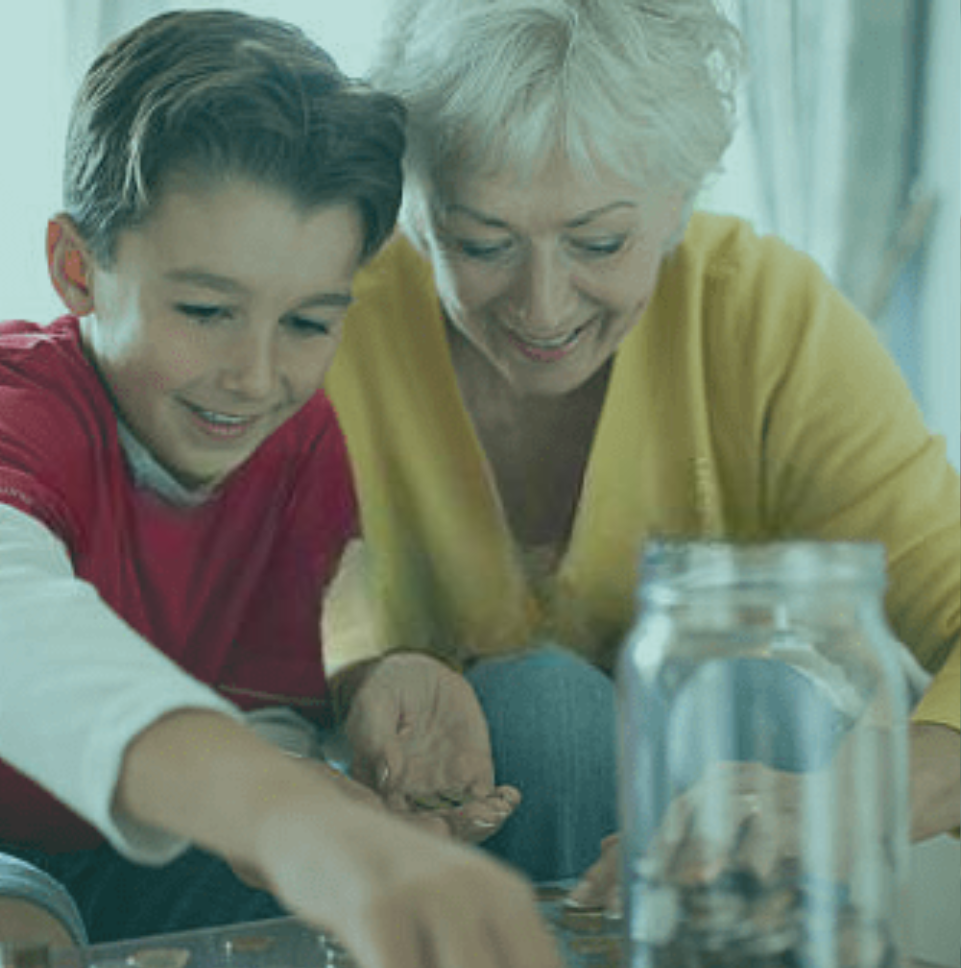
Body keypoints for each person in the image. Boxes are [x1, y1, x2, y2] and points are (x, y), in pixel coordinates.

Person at [0, 11, 572, 968]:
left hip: (123, 851)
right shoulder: (6, 406)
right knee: (1, 948)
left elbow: (264, 698)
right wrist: (293, 822)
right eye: (207, 309)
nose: (256, 377)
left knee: (375, 916)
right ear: (77, 268)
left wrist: (351, 742)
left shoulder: (296, 447)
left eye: (307, 323)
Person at [323, 0, 961, 893]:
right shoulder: (328, 313)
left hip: (716, 832)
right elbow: (233, 611)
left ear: (679, 201)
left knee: (759, 700)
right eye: (482, 242)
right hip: (432, 877)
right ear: (418, 212)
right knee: (546, 709)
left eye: (599, 241)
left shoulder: (764, 316)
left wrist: (884, 790)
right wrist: (363, 678)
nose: (542, 308)